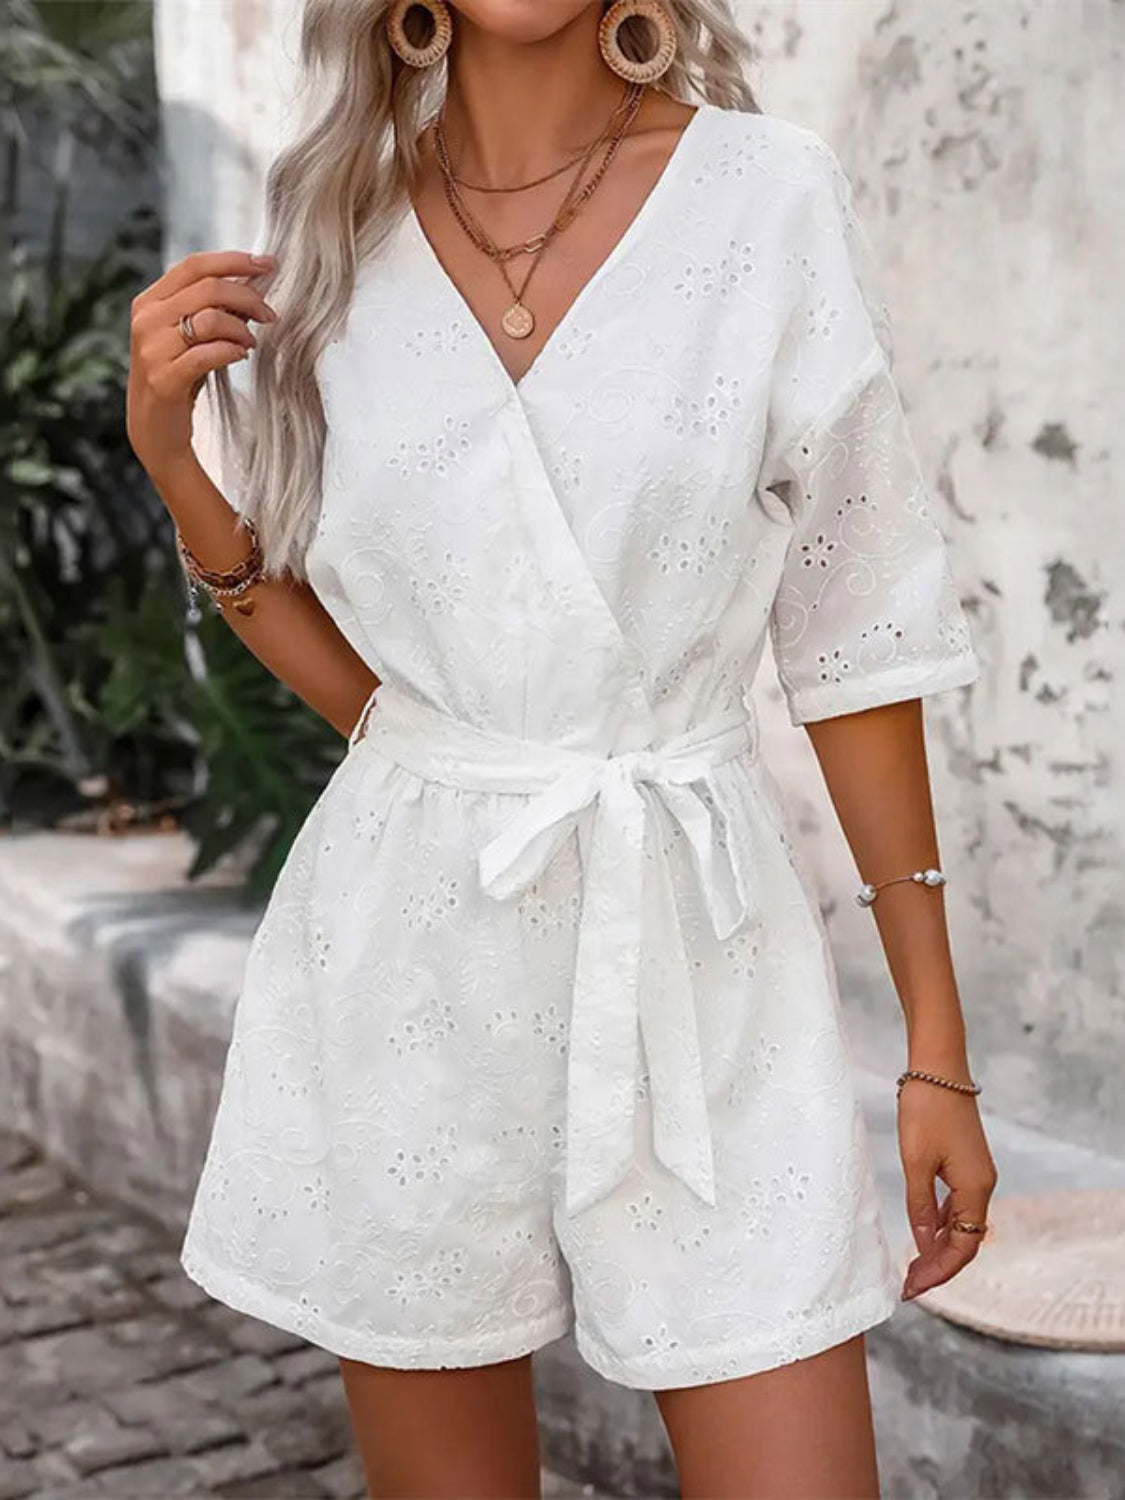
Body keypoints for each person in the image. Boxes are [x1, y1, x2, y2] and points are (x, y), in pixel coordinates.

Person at [126, 2, 998, 1494]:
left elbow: (856, 634)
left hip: (698, 945)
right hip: (407, 947)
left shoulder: (764, 195)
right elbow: (380, 706)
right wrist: (168, 451)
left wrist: (936, 1045)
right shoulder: (332, 225)